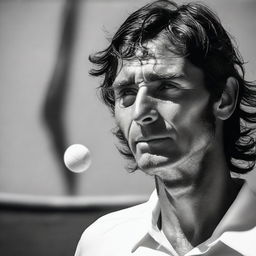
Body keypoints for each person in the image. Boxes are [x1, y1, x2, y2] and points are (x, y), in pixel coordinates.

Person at [75, 1, 256, 255]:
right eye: (126, 93)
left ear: (224, 98)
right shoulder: (100, 243)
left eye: (166, 86)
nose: (140, 112)